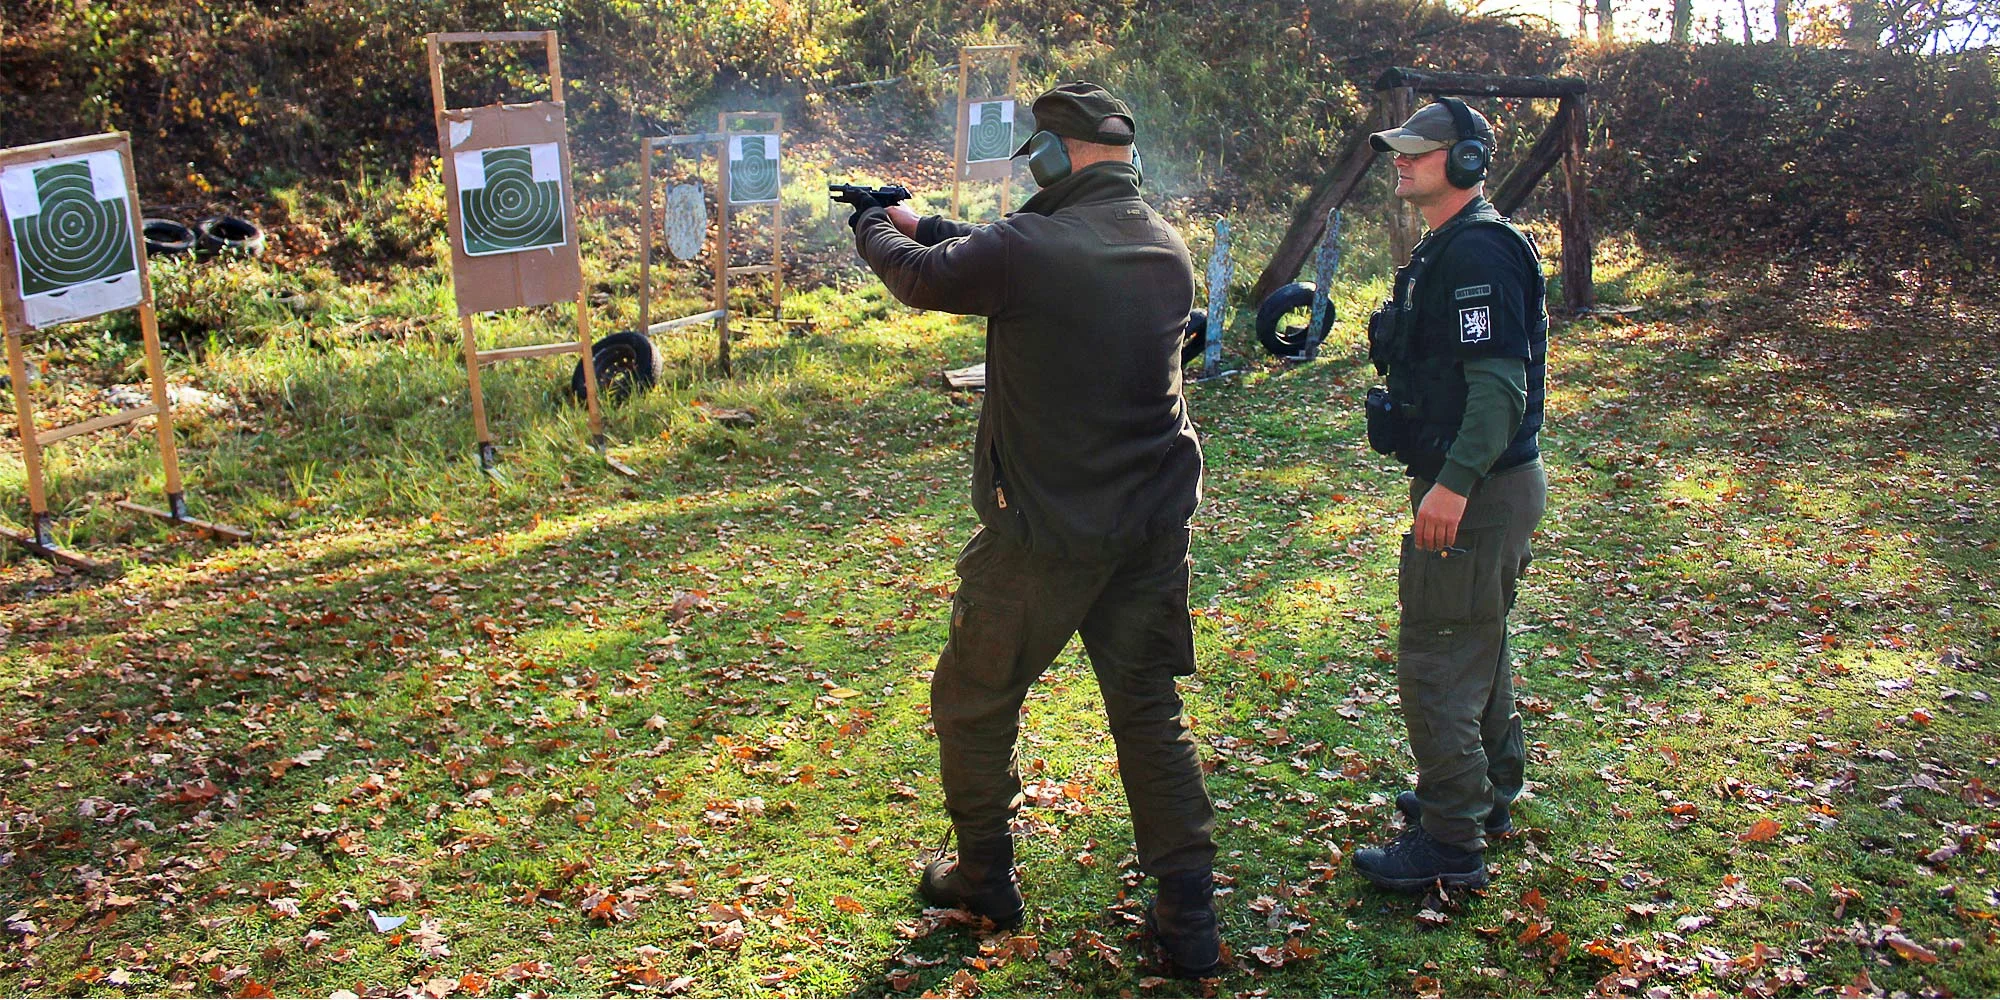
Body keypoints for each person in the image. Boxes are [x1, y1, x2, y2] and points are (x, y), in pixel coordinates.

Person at [844, 82, 1221, 978]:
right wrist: (922, 216)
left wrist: (873, 226)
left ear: (1055, 156)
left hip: (1042, 539)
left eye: (1036, 156)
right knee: (1149, 716)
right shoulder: (1163, 247)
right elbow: (994, 257)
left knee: (973, 707)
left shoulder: (1034, 246)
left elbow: (923, 276)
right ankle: (1190, 917)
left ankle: (982, 877)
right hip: (1148, 531)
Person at [1353, 98, 1550, 892]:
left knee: (1437, 654)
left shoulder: (1477, 256)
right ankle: (1486, 795)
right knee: (1476, 642)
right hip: (1480, 485)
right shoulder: (1449, 247)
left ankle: (1451, 841)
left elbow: (1499, 390)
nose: (1400, 162)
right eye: (1399, 151)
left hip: (1478, 487)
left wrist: (1452, 485)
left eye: (1418, 152)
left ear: (1466, 162)